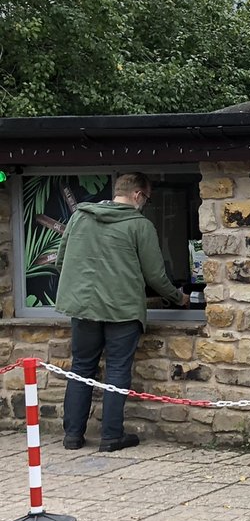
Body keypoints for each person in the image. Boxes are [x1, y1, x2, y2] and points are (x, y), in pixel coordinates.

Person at [55, 172, 187, 452]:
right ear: (137, 195)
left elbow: (61, 260)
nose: (146, 204)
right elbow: (155, 276)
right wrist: (179, 298)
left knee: (81, 368)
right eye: (147, 198)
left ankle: (73, 436)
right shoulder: (140, 225)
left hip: (83, 307)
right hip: (122, 310)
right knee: (117, 369)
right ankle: (111, 436)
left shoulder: (80, 217)